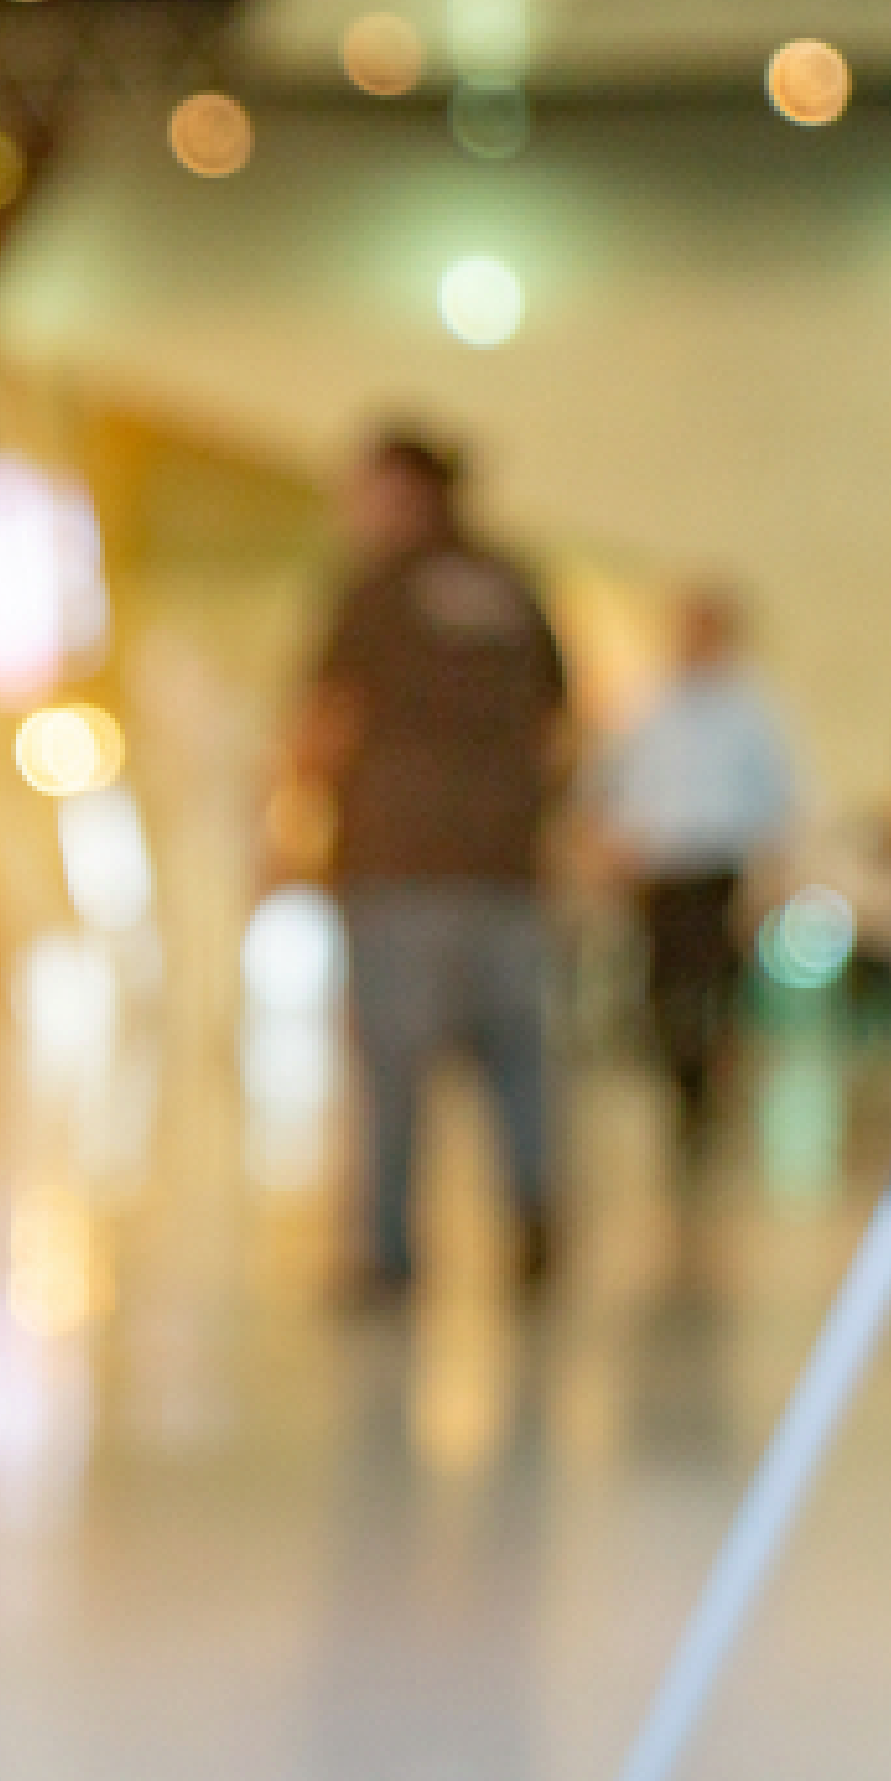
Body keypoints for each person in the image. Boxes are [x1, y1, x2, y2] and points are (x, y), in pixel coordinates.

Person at [292, 428, 571, 1301]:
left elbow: (327, 723)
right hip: (506, 867)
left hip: (397, 864)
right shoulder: (514, 584)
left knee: (392, 1068)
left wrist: (287, 829)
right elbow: (560, 727)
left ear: (406, 492)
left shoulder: (373, 591)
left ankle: (388, 1254)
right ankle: (531, 1218)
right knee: (517, 1059)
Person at [589, 587, 797, 1187]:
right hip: (658, 869)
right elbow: (611, 781)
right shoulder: (643, 702)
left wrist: (775, 871)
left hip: (720, 868)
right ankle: (680, 1086)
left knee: (715, 987)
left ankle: (705, 1093)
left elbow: (780, 795)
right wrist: (607, 845)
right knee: (662, 986)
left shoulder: (754, 708)